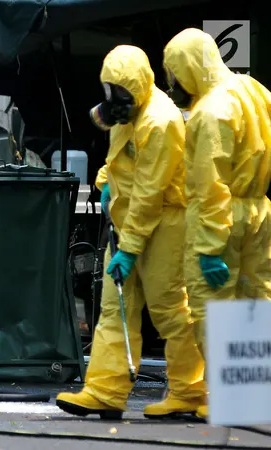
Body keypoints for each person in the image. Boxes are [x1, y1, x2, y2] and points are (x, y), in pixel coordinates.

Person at [55, 45, 206, 419]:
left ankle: (191, 392)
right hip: (128, 224)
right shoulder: (129, 114)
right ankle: (105, 391)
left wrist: (129, 249)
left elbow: (151, 193)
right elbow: (121, 162)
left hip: (164, 224)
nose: (113, 103)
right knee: (113, 310)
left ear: (135, 86)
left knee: (170, 312)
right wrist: (106, 181)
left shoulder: (161, 121)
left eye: (118, 95)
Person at [163, 28, 271, 421]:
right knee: (255, 305)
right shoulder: (253, 89)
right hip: (258, 211)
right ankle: (250, 394)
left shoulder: (210, 112)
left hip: (221, 220)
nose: (173, 82)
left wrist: (208, 248)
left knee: (213, 309)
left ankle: (228, 396)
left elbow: (210, 185)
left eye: (175, 71)